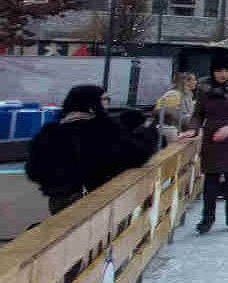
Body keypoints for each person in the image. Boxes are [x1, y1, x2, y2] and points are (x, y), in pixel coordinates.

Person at [26, 85, 156, 215]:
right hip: (95, 198)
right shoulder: (102, 129)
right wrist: (148, 133)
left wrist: (60, 184)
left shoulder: (50, 132)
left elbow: (33, 170)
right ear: (92, 103)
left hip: (59, 200)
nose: (107, 104)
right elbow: (135, 155)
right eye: (104, 99)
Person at [185, 55, 228, 233]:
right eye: (218, 71)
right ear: (212, 72)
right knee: (211, 181)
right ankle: (207, 218)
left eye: (226, 70)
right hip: (213, 138)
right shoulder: (205, 90)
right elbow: (198, 114)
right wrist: (193, 129)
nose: (223, 74)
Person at [152, 72, 197, 146]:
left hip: (182, 134)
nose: (196, 82)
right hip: (169, 134)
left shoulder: (187, 96)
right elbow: (160, 111)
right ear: (186, 81)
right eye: (194, 80)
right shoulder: (173, 94)